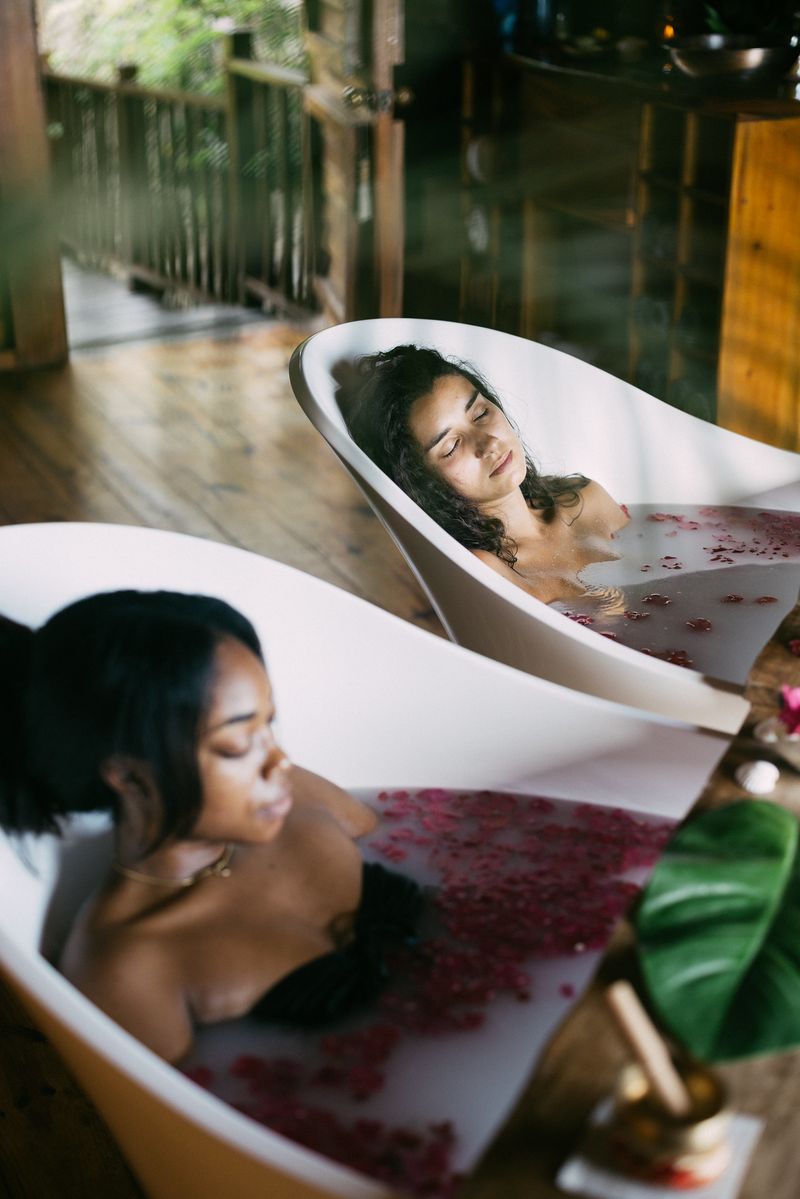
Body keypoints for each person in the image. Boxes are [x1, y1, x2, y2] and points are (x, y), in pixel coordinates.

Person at [0, 591, 420, 1062]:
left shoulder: (302, 798)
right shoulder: (129, 968)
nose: (280, 760)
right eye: (239, 743)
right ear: (131, 777)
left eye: (270, 724)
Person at [345, 345, 629, 606]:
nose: (488, 443)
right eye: (452, 446)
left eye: (480, 414)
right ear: (422, 483)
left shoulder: (588, 499)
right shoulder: (482, 568)